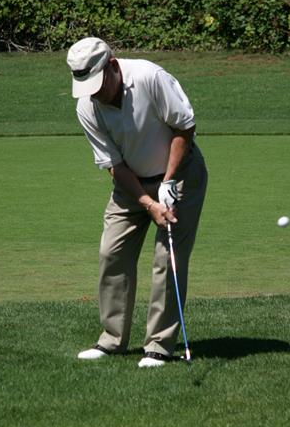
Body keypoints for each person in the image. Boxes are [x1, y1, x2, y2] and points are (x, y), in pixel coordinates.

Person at [66, 37, 208, 368]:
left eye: (99, 84)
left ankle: (159, 345)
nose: (96, 93)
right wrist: (147, 202)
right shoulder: (87, 107)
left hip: (181, 171)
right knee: (111, 251)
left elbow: (184, 128)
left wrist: (168, 182)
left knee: (165, 258)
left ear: (112, 66)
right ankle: (112, 340)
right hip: (131, 183)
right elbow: (114, 165)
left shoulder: (148, 77)